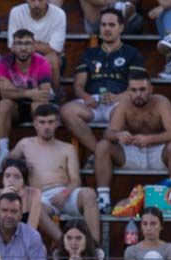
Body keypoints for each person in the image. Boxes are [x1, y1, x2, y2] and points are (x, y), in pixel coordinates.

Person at [60, 8, 145, 160]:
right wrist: (86, 97)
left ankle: (113, 154)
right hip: (93, 102)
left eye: (111, 25)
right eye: (103, 25)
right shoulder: (89, 53)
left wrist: (117, 97)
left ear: (121, 28)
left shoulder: (132, 53)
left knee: (125, 112)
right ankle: (98, 152)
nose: (107, 29)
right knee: (67, 111)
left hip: (118, 103)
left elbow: (137, 87)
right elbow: (78, 85)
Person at [9, 104, 101, 241]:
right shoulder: (24, 144)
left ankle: (95, 248)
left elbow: (76, 180)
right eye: (42, 122)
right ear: (35, 124)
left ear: (57, 123)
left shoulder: (67, 148)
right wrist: (20, 165)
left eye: (51, 122)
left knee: (89, 194)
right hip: (41, 197)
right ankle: (63, 244)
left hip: (66, 193)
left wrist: (64, 194)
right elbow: (6, 164)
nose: (47, 127)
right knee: (35, 206)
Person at [94, 75, 171, 213]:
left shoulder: (161, 102)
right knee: (102, 146)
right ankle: (103, 200)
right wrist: (118, 135)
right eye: (134, 90)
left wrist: (149, 139)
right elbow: (108, 133)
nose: (138, 94)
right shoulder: (124, 104)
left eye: (142, 89)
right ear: (128, 91)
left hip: (158, 152)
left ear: (150, 89)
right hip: (132, 152)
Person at [0, 29, 54, 164]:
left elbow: (44, 94)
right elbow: (3, 93)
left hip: (34, 105)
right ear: (13, 47)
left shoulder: (42, 62)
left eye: (27, 43)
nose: (23, 47)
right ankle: (3, 150)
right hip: (15, 108)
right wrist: (28, 93)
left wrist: (14, 90)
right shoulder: (4, 62)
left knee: (39, 105)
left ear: (33, 47)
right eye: (19, 43)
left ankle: (41, 148)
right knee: (4, 104)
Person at [0, 158, 59, 245]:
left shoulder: (34, 193)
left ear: (23, 181)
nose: (11, 180)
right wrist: (4, 198)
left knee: (40, 249)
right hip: (3, 241)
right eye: (7, 176)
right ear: (2, 179)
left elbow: (31, 230)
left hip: (25, 241)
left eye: (17, 177)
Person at [7, 0, 67, 95]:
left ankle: (55, 98)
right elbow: (13, 46)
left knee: (51, 59)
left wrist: (25, 43)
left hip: (50, 57)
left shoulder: (59, 14)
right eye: (32, 0)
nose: (36, 4)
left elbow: (55, 49)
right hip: (23, 56)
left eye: (40, 0)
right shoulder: (16, 12)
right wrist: (41, 45)